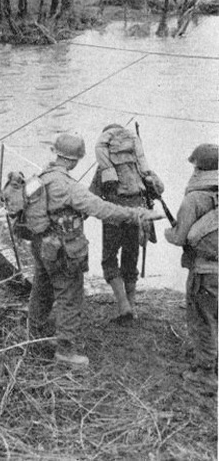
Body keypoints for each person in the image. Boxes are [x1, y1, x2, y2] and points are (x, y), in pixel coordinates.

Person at [28, 133, 160, 367]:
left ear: (56, 153)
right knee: (70, 297)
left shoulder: (40, 177)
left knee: (42, 290)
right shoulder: (69, 186)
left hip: (40, 244)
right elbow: (102, 209)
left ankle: (34, 339)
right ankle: (66, 351)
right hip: (62, 249)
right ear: (75, 160)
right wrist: (138, 214)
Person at [92, 124, 164, 322]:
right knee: (130, 258)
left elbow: (92, 197)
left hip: (113, 218)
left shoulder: (104, 169)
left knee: (109, 259)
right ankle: (132, 304)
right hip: (139, 216)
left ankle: (123, 305)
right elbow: (159, 189)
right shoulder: (142, 168)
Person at [164, 143, 218, 397]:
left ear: (197, 167)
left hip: (205, 271)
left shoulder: (194, 197)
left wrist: (167, 231)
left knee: (202, 319)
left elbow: (178, 237)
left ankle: (206, 373)